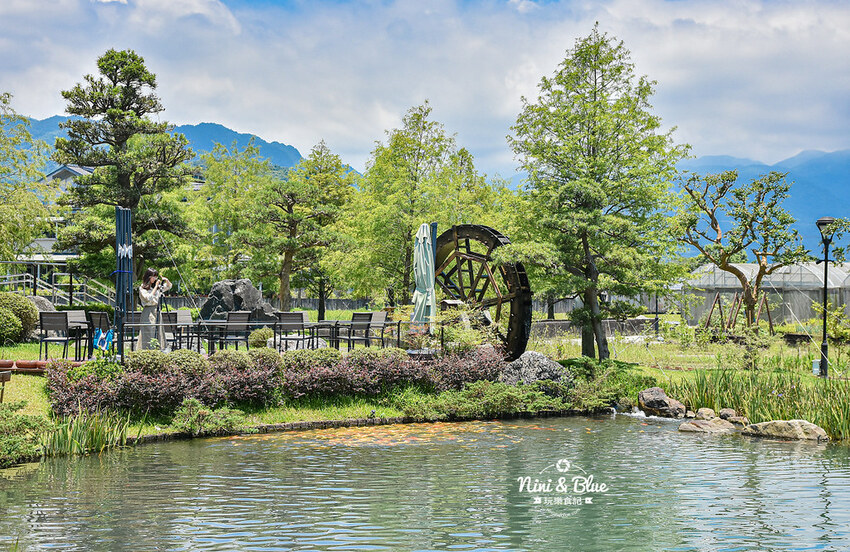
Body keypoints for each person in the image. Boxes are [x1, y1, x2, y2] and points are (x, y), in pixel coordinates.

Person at [138, 268, 172, 350]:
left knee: (159, 331)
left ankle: (159, 349)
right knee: (148, 332)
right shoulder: (142, 288)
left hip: (156, 310)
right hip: (148, 311)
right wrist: (156, 286)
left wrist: (166, 280)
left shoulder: (157, 288)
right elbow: (148, 298)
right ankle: (146, 350)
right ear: (149, 277)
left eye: (156, 277)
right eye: (154, 277)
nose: (155, 279)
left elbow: (169, 286)